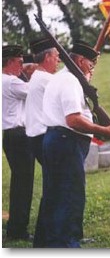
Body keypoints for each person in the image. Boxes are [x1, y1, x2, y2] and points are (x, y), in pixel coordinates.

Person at [38, 40, 110, 248]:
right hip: (66, 142)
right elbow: (73, 119)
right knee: (69, 197)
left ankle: (48, 244)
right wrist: (105, 131)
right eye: (91, 66)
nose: (92, 70)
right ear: (81, 61)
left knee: (54, 196)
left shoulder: (63, 79)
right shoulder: (70, 82)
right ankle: (66, 245)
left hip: (57, 141)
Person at [24, 37, 61, 247]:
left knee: (53, 187)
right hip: (42, 138)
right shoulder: (46, 79)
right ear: (47, 57)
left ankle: (46, 238)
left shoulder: (39, 77)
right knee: (54, 188)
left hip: (38, 137)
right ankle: (46, 239)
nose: (58, 61)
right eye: (56, 57)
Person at [2, 44, 34, 241]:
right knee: (24, 184)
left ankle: (15, 226)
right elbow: (36, 92)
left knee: (19, 183)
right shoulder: (12, 82)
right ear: (10, 62)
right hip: (19, 135)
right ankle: (18, 230)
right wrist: (36, 73)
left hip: (10, 135)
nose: (22, 66)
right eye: (20, 62)